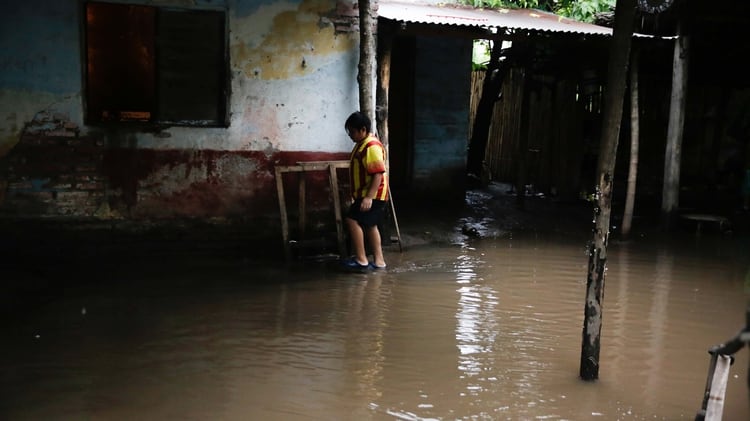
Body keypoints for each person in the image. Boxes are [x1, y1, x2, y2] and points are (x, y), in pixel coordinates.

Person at [341, 111, 388, 270]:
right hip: (371, 195)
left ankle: (362, 260)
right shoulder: (363, 144)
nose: (350, 135)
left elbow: (377, 174)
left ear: (362, 129)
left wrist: (368, 197)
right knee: (370, 225)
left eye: (352, 131)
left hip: (371, 195)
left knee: (351, 220)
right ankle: (379, 261)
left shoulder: (370, 146)